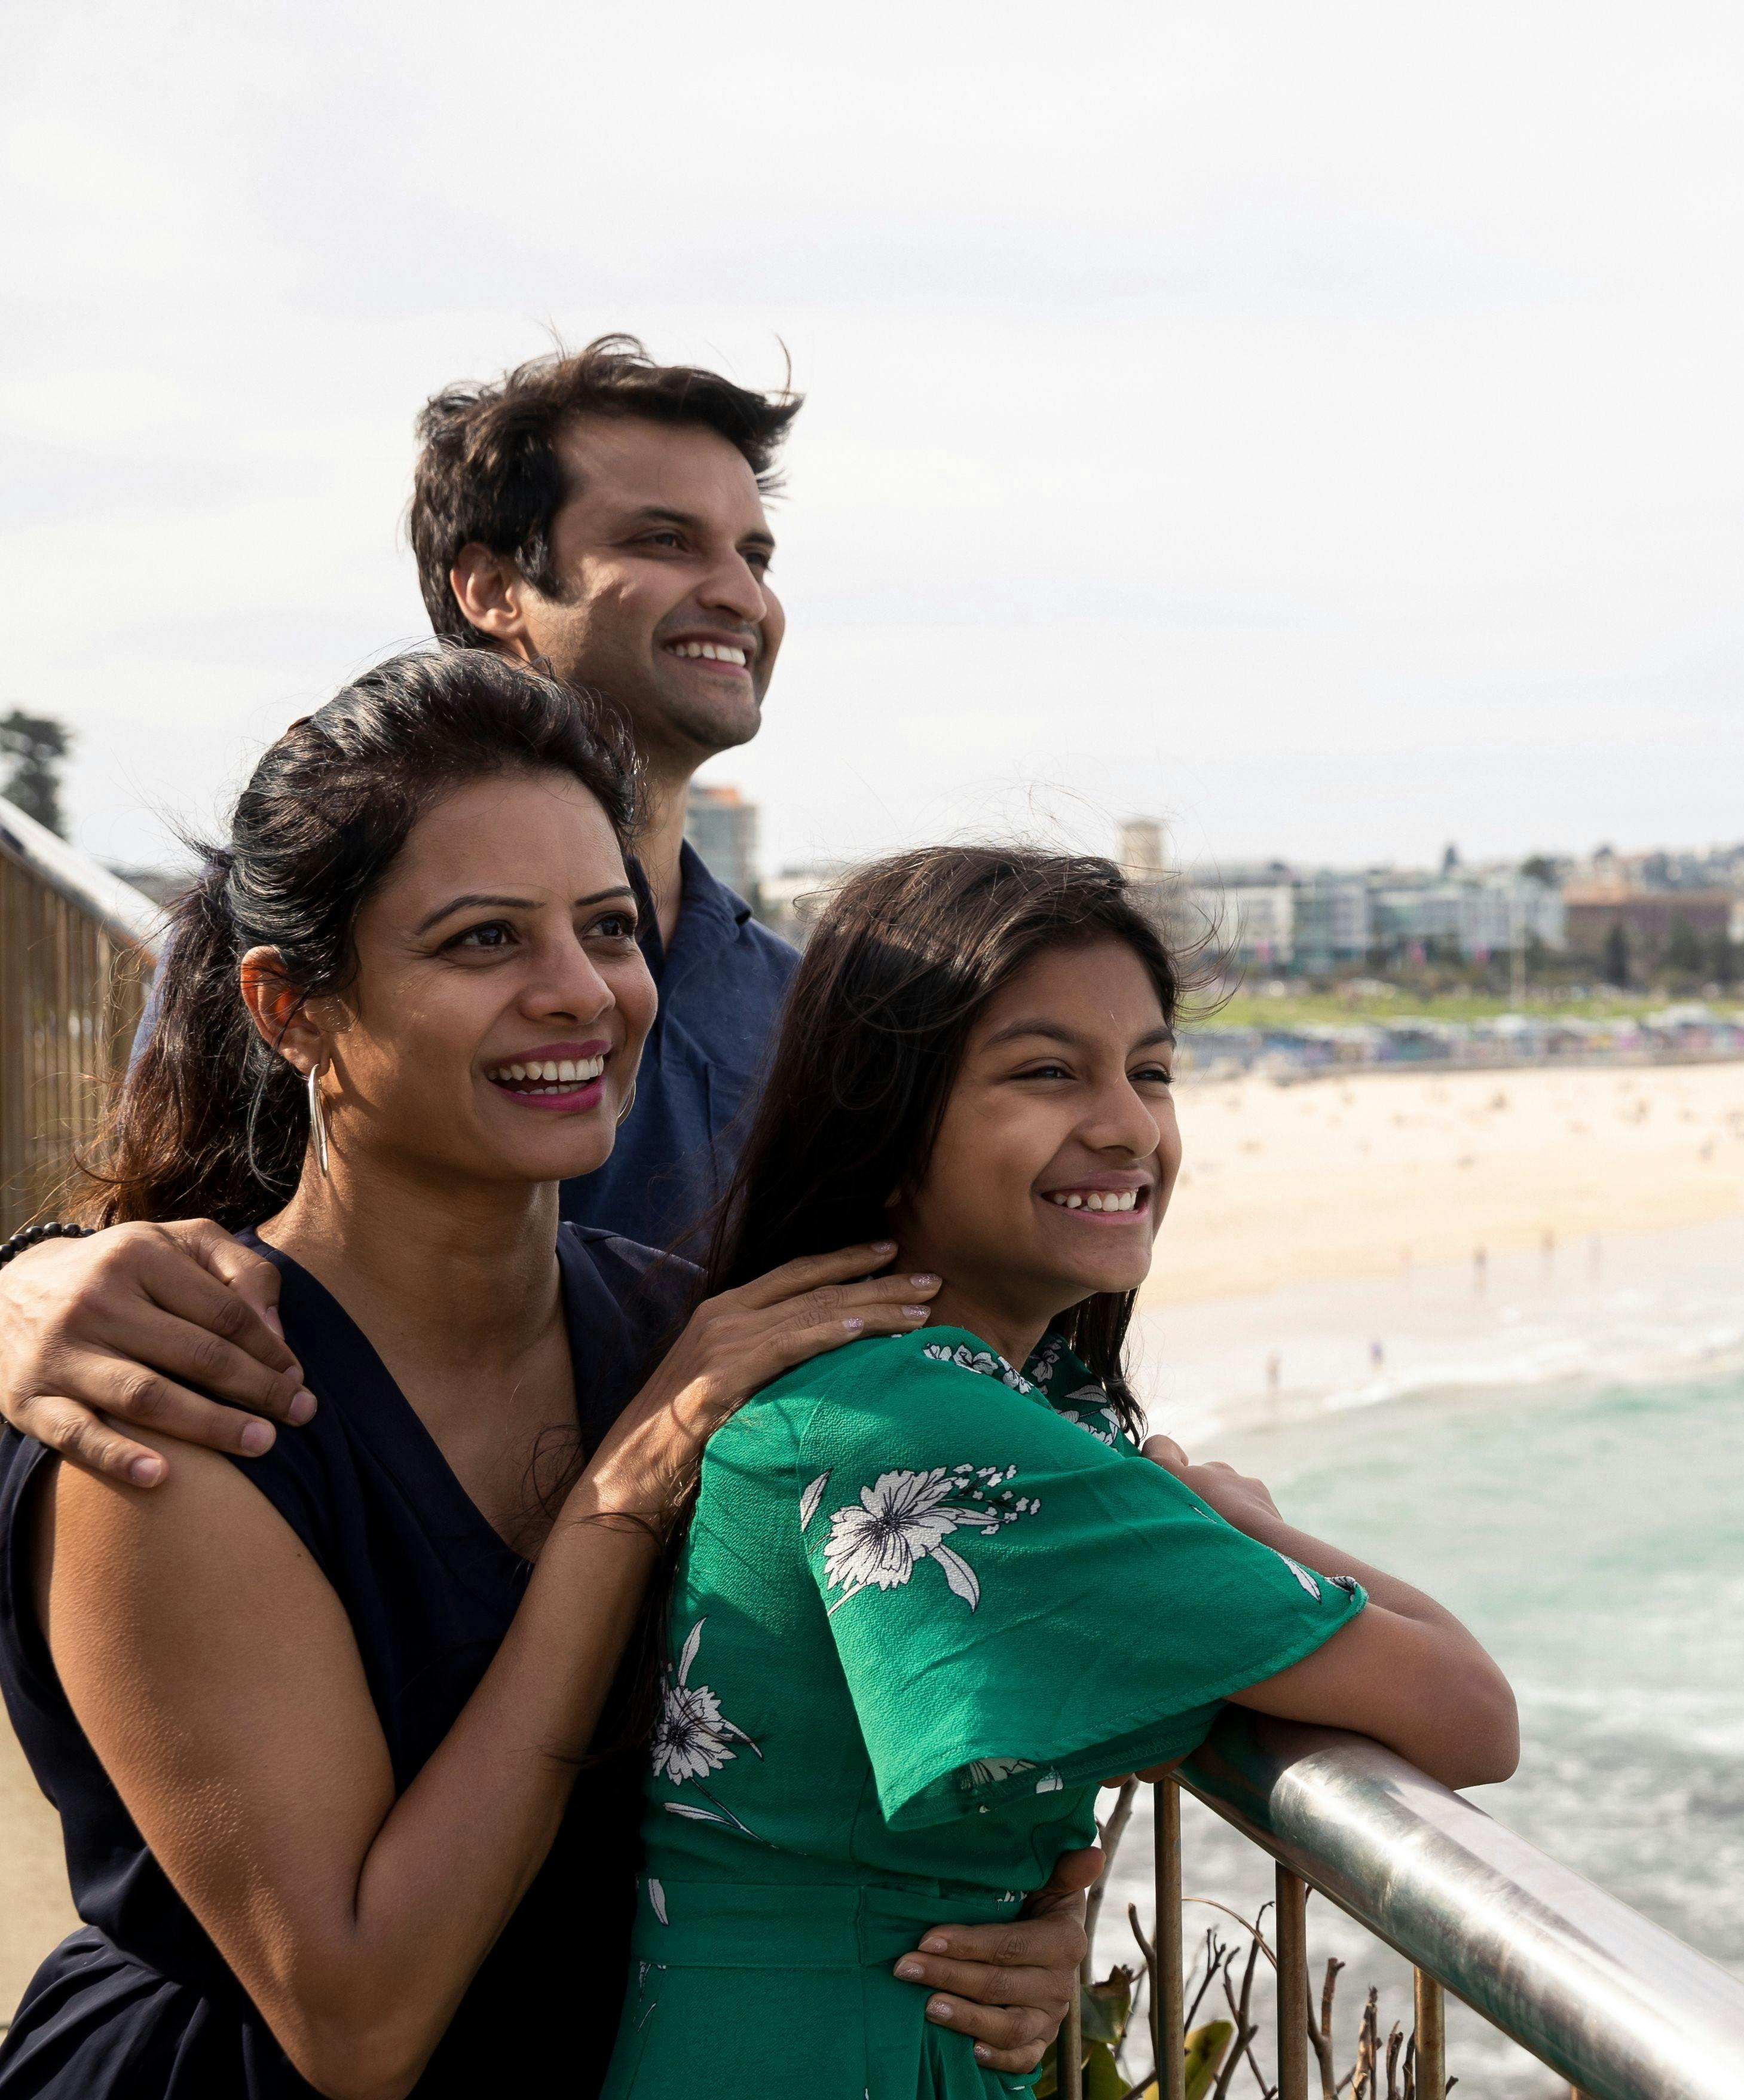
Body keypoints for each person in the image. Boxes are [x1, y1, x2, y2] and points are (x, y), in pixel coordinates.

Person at [0, 654, 1070, 2096]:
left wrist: (1030, 1922)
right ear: (290, 1006)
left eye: (610, 927)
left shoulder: (692, 1327)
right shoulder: (183, 1401)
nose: (580, 994)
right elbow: (359, 2015)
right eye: (483, 940)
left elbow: (893, 1738)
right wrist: (622, 1497)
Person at [601, 846, 1516, 2096]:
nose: (1129, 1124)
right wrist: (1235, 1518)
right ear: (886, 1115)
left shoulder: (861, 1376)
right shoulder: (922, 1425)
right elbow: (1468, 1710)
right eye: (1047, 1072)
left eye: (1152, 1070)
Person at [7, 335, 812, 1497]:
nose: (739, 592)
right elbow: (154, 1250)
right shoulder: (274, 930)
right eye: (660, 539)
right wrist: (26, 1285)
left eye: (755, 552)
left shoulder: (807, 1003)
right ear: (492, 587)